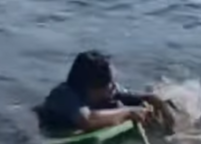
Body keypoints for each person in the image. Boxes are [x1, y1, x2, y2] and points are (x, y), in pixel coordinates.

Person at [34, 51, 176, 135]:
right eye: (110, 83)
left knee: (119, 103)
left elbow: (140, 97)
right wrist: (129, 113)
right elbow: (87, 120)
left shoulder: (107, 90)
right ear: (91, 87)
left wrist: (156, 101)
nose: (114, 86)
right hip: (46, 126)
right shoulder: (64, 95)